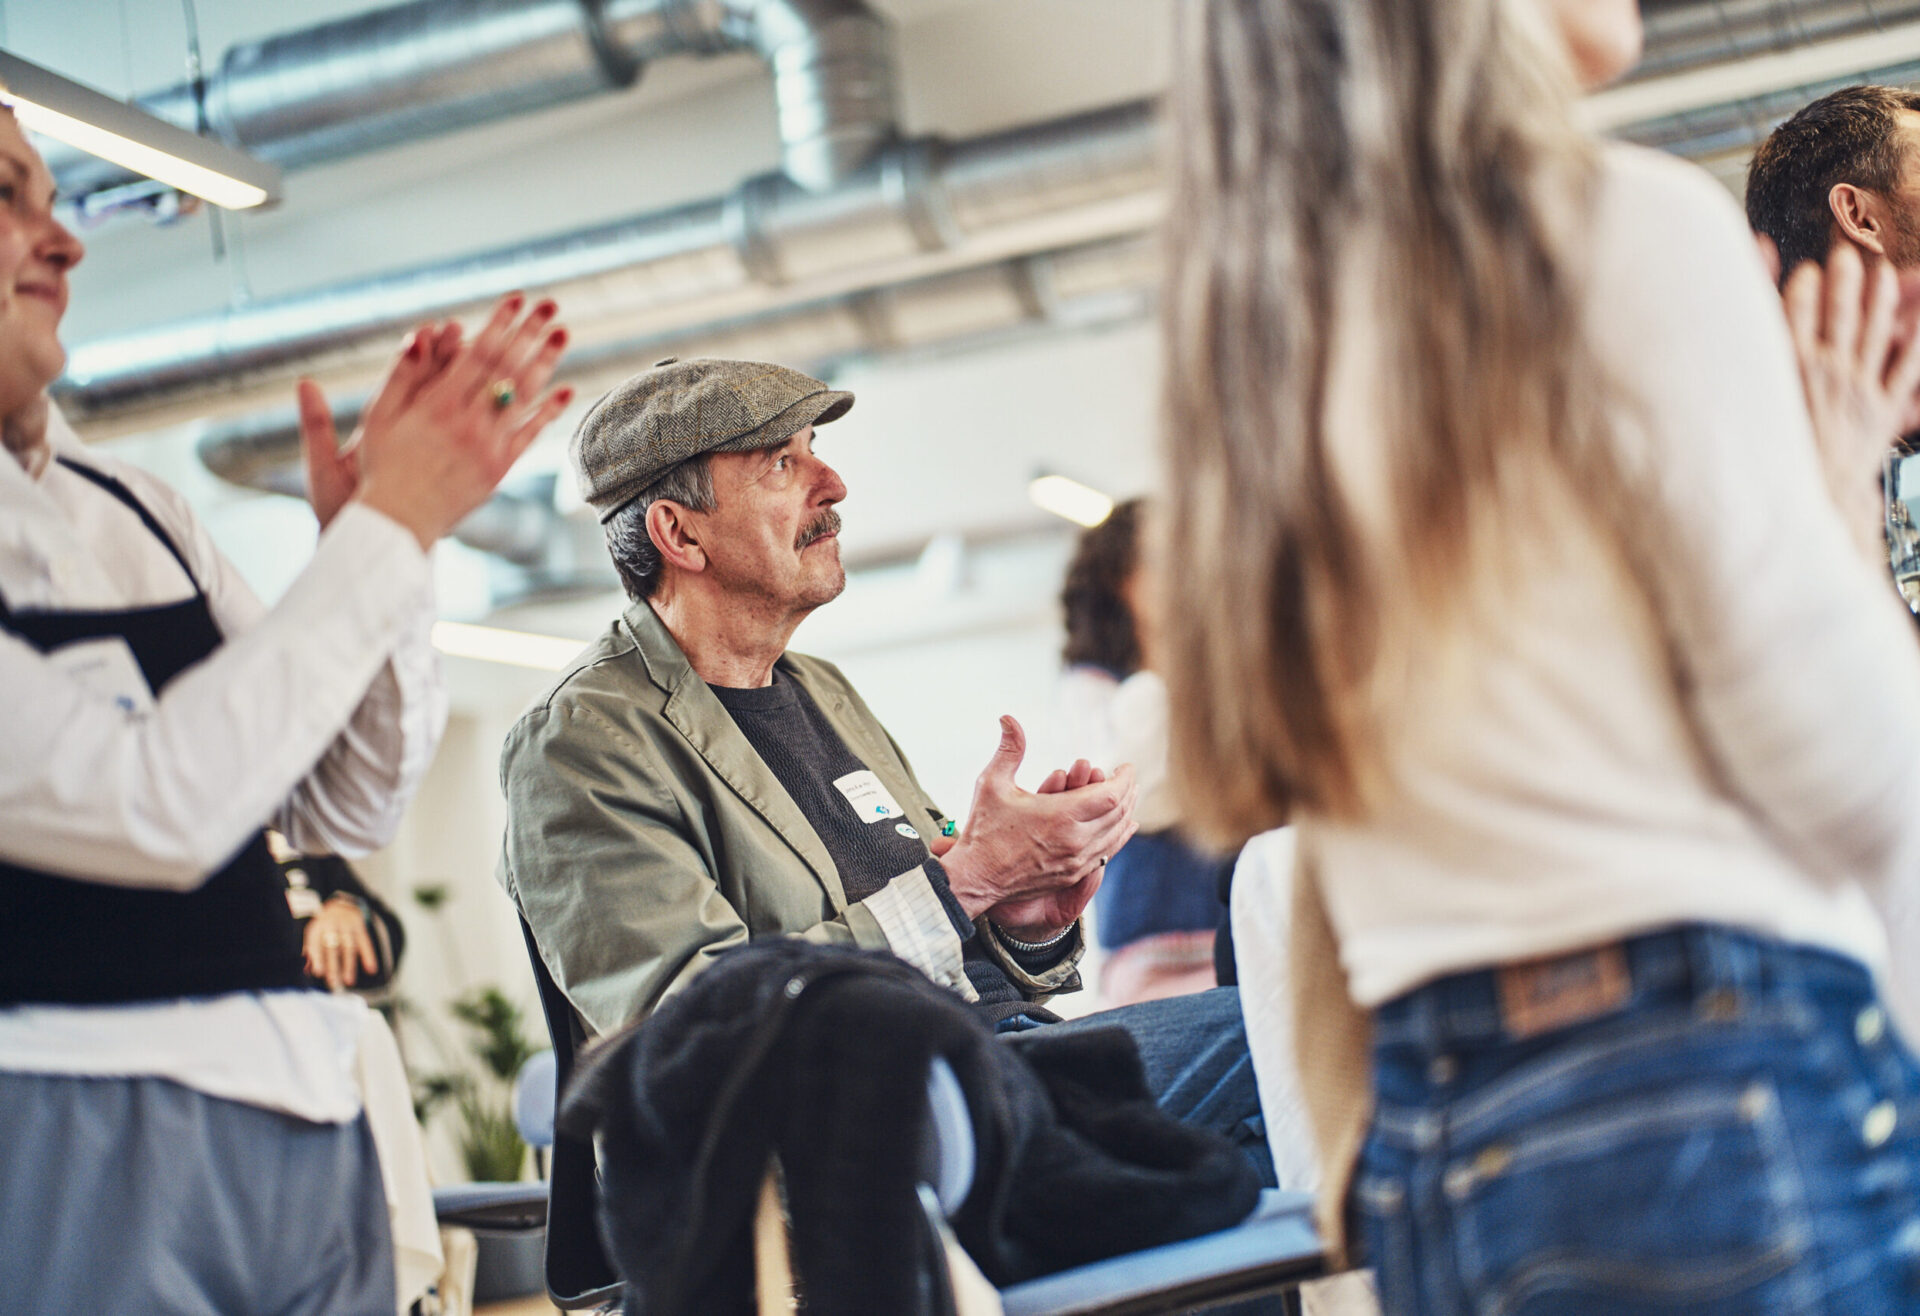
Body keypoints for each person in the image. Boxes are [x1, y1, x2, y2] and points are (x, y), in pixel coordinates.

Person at [1161, 2, 1920, 1313]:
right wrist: (1837, 497)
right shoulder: (1623, 226)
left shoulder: (1263, 317)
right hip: (1712, 1080)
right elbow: (1841, 760)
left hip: (1451, 1130)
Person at [0, 102, 574, 1310]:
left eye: (53, 202)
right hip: (74, 1130)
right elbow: (149, 809)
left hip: (302, 1116)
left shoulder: (137, 506)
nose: (65, 245)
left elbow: (338, 796)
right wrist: (386, 533)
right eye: (9, 198)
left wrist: (376, 554)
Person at [498, 356, 1275, 1186]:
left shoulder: (820, 690)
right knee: (1292, 1036)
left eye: (813, 452)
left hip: (1002, 1056)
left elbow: (944, 923)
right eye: (782, 465)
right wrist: (969, 882)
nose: (832, 483)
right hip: (879, 1130)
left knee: (1276, 1140)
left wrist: (1024, 914)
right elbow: (694, 1035)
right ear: (679, 534)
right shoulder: (580, 746)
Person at [1056, 498, 1232, 1004]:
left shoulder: (1218, 682)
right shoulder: (1093, 688)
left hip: (1234, 928)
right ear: (1119, 579)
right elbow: (1141, 800)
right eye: (1161, 560)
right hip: (1149, 945)